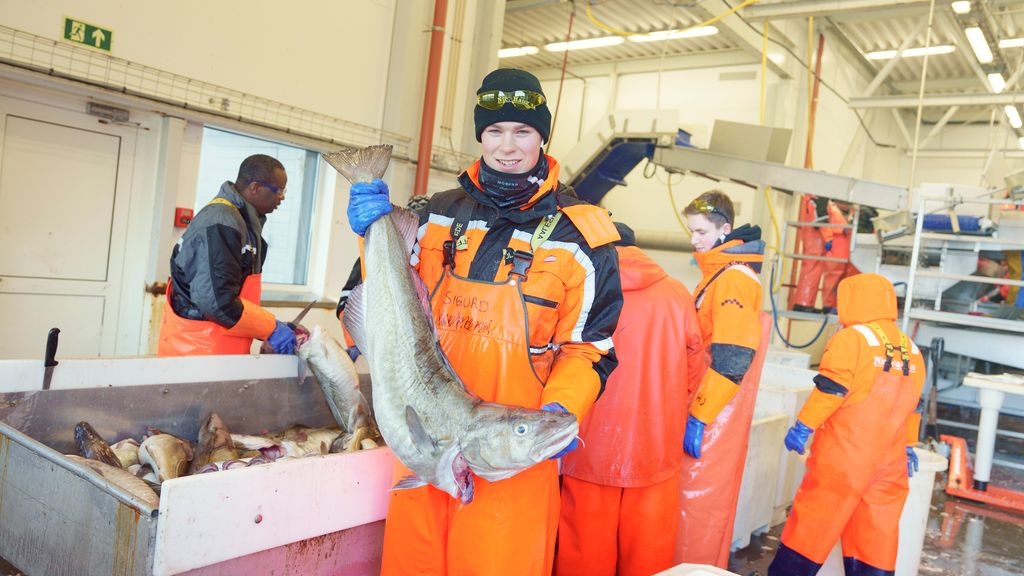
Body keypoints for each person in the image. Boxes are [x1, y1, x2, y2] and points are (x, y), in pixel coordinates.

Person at [347, 67, 623, 575]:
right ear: (481, 135)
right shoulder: (435, 212)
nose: (508, 146)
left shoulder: (583, 237)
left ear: (542, 136)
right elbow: (379, 299)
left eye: (523, 131)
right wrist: (371, 236)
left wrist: (559, 410)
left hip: (510, 457)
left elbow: (589, 348)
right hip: (423, 444)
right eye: (495, 130)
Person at [556, 223, 706, 576]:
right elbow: (695, 368)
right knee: (649, 557)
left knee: (584, 556)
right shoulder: (676, 294)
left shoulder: (582, 289)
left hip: (588, 446)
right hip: (656, 448)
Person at [768, 273, 925, 576]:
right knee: (876, 537)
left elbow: (831, 390)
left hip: (846, 458)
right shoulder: (911, 348)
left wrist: (803, 426)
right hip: (891, 463)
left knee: (813, 525)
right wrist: (908, 446)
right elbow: (913, 405)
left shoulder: (852, 338)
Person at [676, 190, 772, 568]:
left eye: (701, 232)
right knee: (689, 506)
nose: (694, 240)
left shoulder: (734, 278)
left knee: (698, 508)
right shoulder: (718, 275)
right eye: (691, 231)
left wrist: (700, 415)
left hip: (716, 413)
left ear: (725, 229)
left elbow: (733, 359)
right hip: (710, 404)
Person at [158, 154, 297, 356]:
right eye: (279, 190)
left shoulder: (244, 224)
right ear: (255, 187)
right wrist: (270, 327)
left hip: (222, 352)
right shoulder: (220, 222)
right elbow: (216, 302)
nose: (282, 197)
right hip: (197, 354)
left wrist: (272, 327)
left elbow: (236, 296)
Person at [790, 194, 832, 313]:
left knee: (810, 267)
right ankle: (803, 303)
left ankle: (804, 302)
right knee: (812, 269)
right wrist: (829, 238)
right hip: (815, 239)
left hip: (810, 236)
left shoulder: (810, 199)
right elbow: (821, 220)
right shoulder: (819, 199)